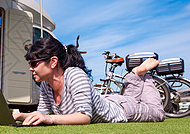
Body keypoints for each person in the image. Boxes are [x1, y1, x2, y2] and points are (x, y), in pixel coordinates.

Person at [13, 36, 165, 125]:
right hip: (108, 101)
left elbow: (84, 117)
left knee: (158, 114)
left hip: (125, 111)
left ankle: (139, 73)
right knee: (131, 96)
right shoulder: (46, 85)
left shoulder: (74, 75)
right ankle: (136, 75)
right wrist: (19, 116)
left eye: (34, 63)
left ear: (53, 62)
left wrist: (50, 118)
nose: (30, 68)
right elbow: (41, 114)